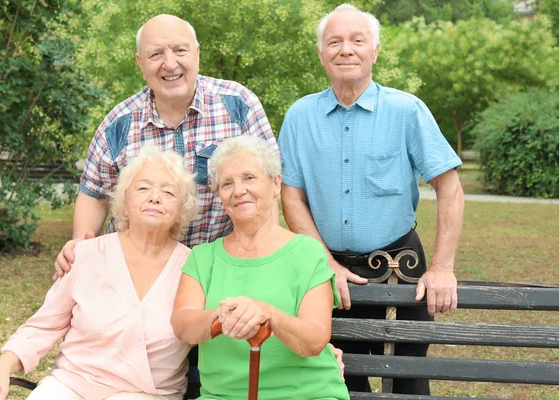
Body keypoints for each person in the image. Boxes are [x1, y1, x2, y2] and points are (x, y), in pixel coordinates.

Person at [277, 3, 464, 395]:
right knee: (345, 377)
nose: (346, 49)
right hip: (331, 274)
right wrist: (324, 262)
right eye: (335, 42)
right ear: (321, 54)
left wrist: (443, 267)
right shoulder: (299, 116)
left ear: (375, 51)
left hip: (402, 267)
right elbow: (290, 195)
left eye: (357, 40)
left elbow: (450, 188)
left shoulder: (406, 110)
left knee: (408, 378)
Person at [53, 14, 278, 278]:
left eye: (180, 50)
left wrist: (266, 256)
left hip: (218, 271)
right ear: (140, 62)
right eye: (156, 54)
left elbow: (267, 186)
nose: (170, 64)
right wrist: (82, 250)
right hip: (135, 275)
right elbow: (94, 194)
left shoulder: (239, 104)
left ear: (196, 53)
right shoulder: (118, 124)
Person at [0, 147, 199, 400]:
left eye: (169, 192)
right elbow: (43, 326)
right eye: (143, 188)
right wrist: (1, 367)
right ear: (124, 204)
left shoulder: (193, 266)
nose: (155, 197)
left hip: (146, 393)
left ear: (182, 211)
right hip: (72, 384)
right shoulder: (86, 255)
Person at [170, 135, 349, 400]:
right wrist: (222, 317)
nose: (239, 190)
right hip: (222, 396)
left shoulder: (307, 253)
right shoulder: (202, 257)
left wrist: (268, 314)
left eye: (249, 178)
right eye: (227, 183)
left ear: (275, 184)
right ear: (219, 195)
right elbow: (183, 325)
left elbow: (314, 340)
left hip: (306, 394)